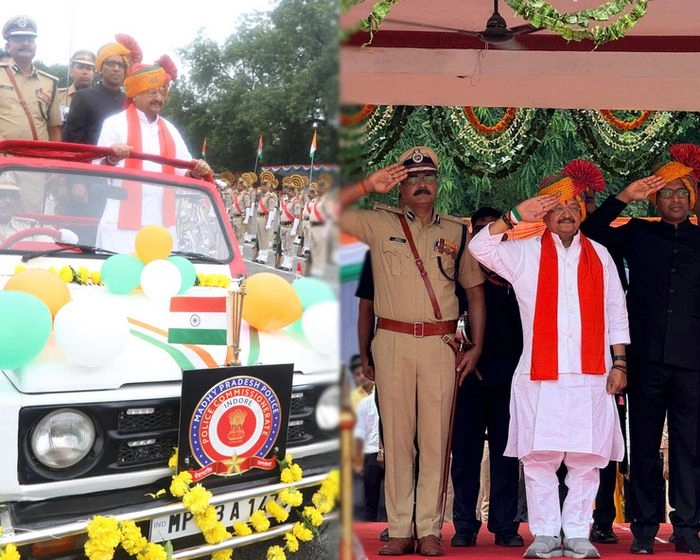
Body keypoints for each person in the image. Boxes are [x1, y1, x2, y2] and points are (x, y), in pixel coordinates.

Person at [469, 159, 629, 560]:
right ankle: (543, 534)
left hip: (592, 374)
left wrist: (620, 363)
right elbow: (479, 247)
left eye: (575, 207)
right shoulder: (523, 254)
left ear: (583, 213)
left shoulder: (601, 256)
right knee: (540, 459)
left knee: (585, 461)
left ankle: (576, 533)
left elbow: (615, 311)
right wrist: (514, 216)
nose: (567, 213)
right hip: (540, 375)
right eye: (558, 206)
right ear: (545, 212)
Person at [341, 147, 486, 557]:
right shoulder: (377, 221)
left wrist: (476, 345)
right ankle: (400, 527)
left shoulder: (458, 232)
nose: (421, 184)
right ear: (400, 186)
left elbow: (475, 293)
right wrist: (367, 185)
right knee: (399, 440)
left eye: (428, 177)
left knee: (436, 441)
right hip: (393, 342)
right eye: (412, 178)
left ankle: (429, 530)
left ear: (438, 184)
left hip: (441, 344)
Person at [579, 143, 700, 555]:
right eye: (666, 193)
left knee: (690, 447)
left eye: (682, 192)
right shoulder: (638, 232)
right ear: (655, 199)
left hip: (692, 362)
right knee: (643, 448)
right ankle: (645, 529)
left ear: (692, 199)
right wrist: (624, 197)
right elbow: (591, 231)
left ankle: (687, 527)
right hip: (645, 359)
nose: (675, 200)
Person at [450, 206, 524, 549]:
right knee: (464, 456)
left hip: (509, 380)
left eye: (489, 229)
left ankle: (506, 525)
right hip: (467, 379)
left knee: (506, 456)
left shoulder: (516, 276)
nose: (483, 235)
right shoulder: (457, 280)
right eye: (477, 230)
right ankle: (464, 524)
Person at [94, 55, 212, 253]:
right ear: (135, 94)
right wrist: (113, 157)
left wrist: (197, 171)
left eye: (161, 92)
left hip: (162, 225)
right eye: (151, 92)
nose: (159, 98)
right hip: (121, 225)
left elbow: (183, 172)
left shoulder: (170, 130)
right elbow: (97, 169)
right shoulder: (115, 123)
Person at [0, 15, 61, 212]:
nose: (25, 43)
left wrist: (55, 165)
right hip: (2, 161)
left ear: (35, 45)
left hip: (33, 166)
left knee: (29, 220)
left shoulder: (49, 83)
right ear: (8, 45)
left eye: (30, 39)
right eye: (18, 39)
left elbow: (54, 129)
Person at [63, 35, 135, 145]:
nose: (116, 68)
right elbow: (73, 140)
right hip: (89, 160)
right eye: (111, 64)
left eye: (121, 65)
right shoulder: (83, 97)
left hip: (123, 160)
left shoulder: (129, 101)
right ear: (100, 68)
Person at [56, 50, 96, 124]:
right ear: (71, 71)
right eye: (80, 67)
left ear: (93, 74)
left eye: (89, 68)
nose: (85, 72)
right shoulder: (57, 96)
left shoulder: (99, 98)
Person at [253, 170, 278, 264]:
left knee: (265, 238)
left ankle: (264, 257)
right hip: (259, 217)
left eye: (264, 186)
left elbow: (272, 210)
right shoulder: (263, 196)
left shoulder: (270, 196)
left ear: (268, 186)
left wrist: (269, 223)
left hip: (265, 218)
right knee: (260, 237)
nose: (261, 187)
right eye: (261, 185)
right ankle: (260, 255)